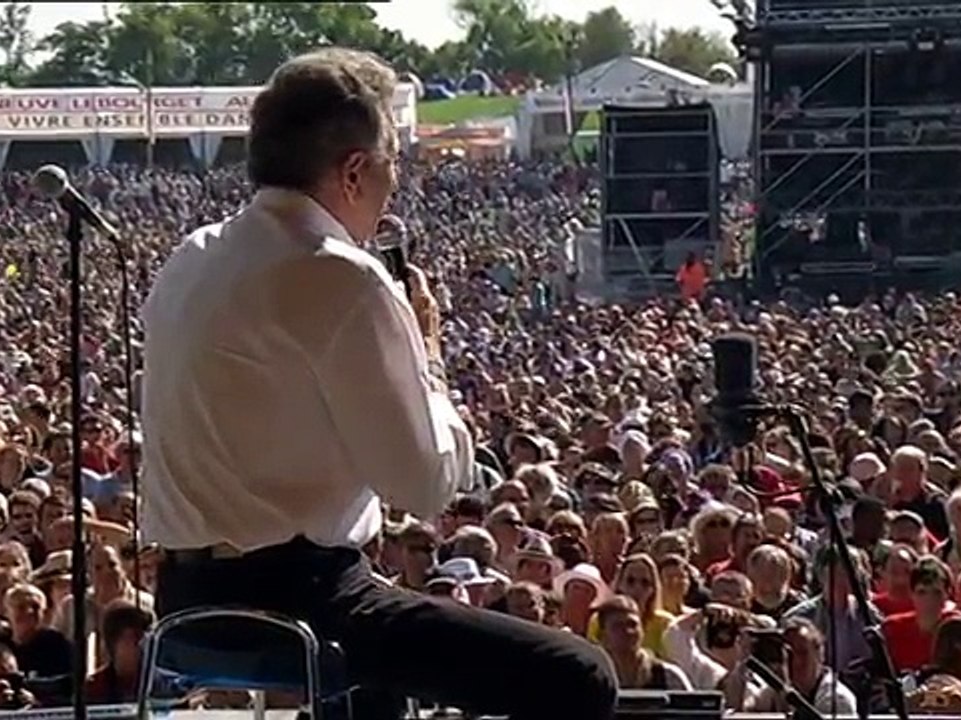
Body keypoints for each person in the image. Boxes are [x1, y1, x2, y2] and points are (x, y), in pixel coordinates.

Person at [140, 48, 617, 720]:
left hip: (183, 598)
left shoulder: (190, 256)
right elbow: (423, 487)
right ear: (355, 171)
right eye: (394, 163)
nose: (397, 184)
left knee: (384, 678)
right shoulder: (342, 277)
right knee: (578, 675)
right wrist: (428, 354)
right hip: (298, 598)